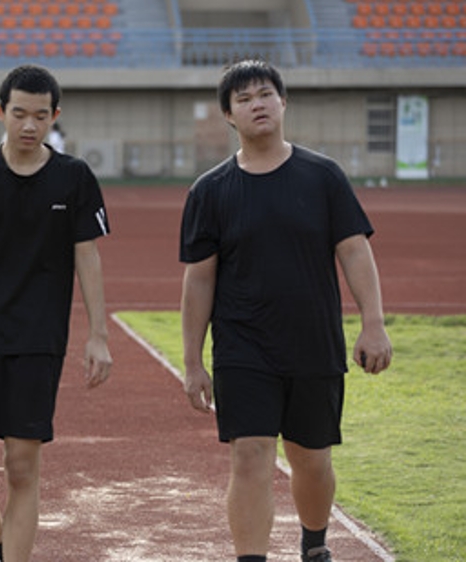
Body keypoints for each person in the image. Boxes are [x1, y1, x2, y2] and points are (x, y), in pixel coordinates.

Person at [179, 59, 393, 562]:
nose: (258, 104)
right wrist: (193, 361)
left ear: (283, 102)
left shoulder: (322, 176)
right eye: (245, 98)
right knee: (250, 456)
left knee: (312, 461)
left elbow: (355, 250)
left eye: (266, 94)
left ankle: (315, 546)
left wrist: (374, 324)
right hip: (242, 347)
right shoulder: (209, 191)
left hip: (312, 342)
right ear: (228, 115)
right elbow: (199, 278)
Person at [0, 64, 113, 562]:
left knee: (21, 469)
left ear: (54, 116)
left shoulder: (73, 177)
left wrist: (98, 334)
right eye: (18, 114)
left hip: (35, 342)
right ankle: (0, 542)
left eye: (40, 116)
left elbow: (87, 255)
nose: (29, 126)